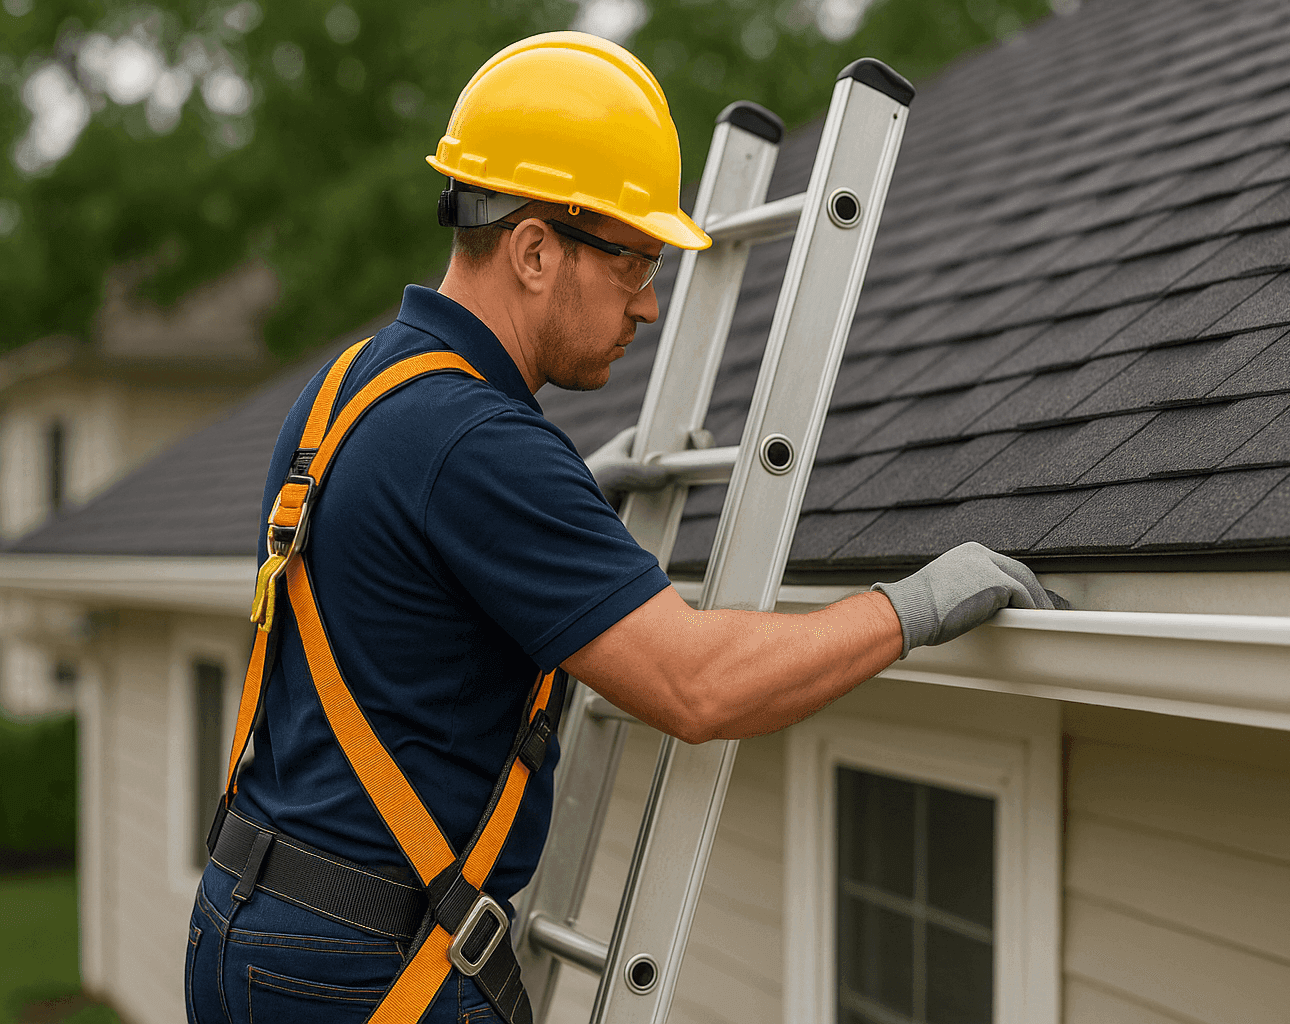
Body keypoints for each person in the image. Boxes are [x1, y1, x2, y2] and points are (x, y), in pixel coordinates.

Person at [185, 31, 1056, 1024]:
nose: (647, 304)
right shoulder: (481, 442)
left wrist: (563, 507)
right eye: (634, 262)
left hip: (241, 921)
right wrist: (911, 607)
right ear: (534, 248)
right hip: (362, 970)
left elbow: (399, 579)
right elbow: (695, 682)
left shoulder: (350, 387)